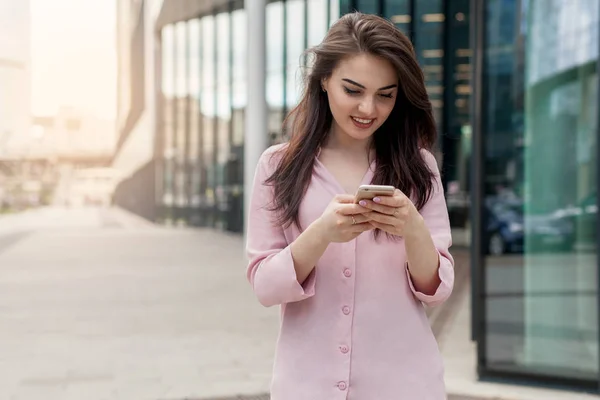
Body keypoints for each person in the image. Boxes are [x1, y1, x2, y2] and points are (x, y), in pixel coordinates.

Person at [245, 12, 454, 400]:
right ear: (324, 80)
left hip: (405, 385)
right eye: (353, 90)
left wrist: (412, 228)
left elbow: (435, 289)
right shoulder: (278, 167)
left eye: (385, 95)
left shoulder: (419, 168)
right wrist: (322, 233)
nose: (368, 108)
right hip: (307, 386)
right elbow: (264, 286)